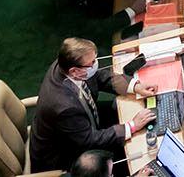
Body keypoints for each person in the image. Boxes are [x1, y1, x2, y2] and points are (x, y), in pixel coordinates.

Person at [28, 36, 156, 172]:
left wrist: (135, 86)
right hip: (65, 155)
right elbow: (90, 140)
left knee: (121, 110)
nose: (96, 64)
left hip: (84, 117)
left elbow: (100, 77)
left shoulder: (69, 65)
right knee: (134, 154)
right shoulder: (65, 107)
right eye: (92, 62)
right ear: (74, 71)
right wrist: (132, 126)